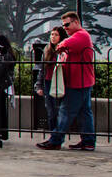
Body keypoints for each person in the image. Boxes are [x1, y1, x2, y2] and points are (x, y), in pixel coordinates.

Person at [37, 11, 95, 151]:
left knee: (66, 111)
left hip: (78, 82)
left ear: (76, 22)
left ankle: (56, 140)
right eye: (64, 25)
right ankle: (88, 141)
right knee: (84, 112)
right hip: (82, 81)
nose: (65, 28)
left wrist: (62, 45)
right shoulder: (81, 36)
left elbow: (62, 45)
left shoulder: (81, 35)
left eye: (67, 24)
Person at [34, 25, 68, 134]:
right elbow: (41, 69)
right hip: (48, 81)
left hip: (60, 81)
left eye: (56, 35)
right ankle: (53, 132)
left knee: (60, 109)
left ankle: (59, 133)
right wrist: (39, 85)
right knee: (50, 109)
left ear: (61, 37)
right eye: (52, 34)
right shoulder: (47, 49)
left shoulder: (64, 50)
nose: (53, 37)